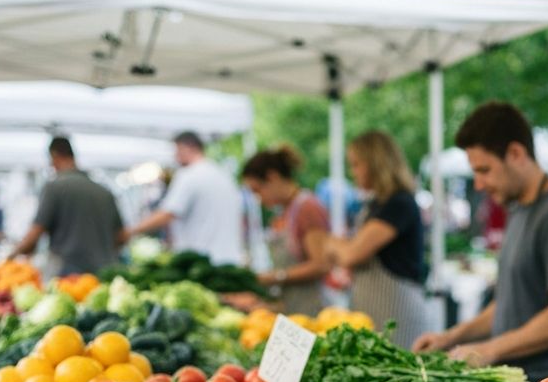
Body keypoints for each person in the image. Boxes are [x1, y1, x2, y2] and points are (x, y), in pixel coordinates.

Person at [412, 102, 548, 382]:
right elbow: (507, 304)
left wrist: (490, 349)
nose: (478, 184)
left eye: (484, 170)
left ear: (516, 153)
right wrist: (450, 337)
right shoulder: (520, 209)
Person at [323, 131, 429, 350]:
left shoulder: (398, 203)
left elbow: (351, 254)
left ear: (375, 163)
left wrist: (331, 242)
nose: (353, 172)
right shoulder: (376, 204)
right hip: (375, 310)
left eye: (356, 164)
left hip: (397, 313)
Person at [122, 131, 242, 264]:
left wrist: (130, 231)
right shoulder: (223, 175)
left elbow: (168, 213)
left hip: (200, 261)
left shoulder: (189, 175)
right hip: (230, 259)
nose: (175, 157)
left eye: (177, 150)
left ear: (189, 147)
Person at [9, 137, 123, 276]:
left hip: (69, 277)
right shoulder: (104, 192)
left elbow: (35, 234)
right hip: (104, 273)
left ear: (54, 156)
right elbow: (121, 236)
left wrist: (10, 257)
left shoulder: (55, 187)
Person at [242, 146, 330, 316]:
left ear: (273, 177)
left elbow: (321, 264)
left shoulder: (307, 207)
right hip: (292, 307)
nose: (258, 198)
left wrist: (275, 276)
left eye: (257, 190)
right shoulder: (284, 211)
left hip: (312, 309)